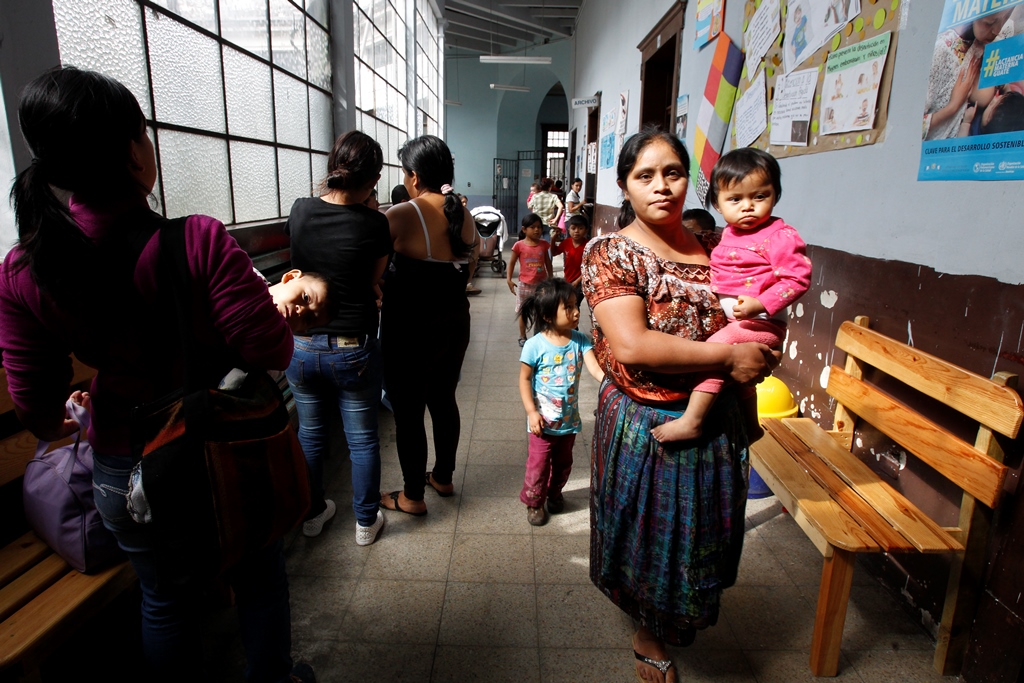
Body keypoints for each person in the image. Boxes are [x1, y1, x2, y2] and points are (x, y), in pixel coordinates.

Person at [0, 66, 313, 683]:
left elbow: (37, 412)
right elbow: (271, 349)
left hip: (125, 470)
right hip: (224, 454)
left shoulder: (23, 269)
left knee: (163, 598)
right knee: (259, 578)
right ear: (131, 153)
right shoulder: (197, 241)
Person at [581, 126, 778, 683]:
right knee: (650, 536)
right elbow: (633, 345)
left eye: (673, 173)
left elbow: (757, 311)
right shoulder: (613, 253)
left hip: (715, 418)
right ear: (624, 185)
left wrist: (759, 349)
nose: (662, 186)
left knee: (700, 534)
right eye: (645, 176)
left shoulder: (719, 247)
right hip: (649, 419)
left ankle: (676, 615)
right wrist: (728, 361)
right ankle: (648, 629)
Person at [651, 148, 810, 444]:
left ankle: (693, 420)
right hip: (740, 322)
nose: (748, 207)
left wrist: (761, 303)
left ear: (775, 195)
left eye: (759, 196)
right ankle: (751, 425)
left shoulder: (779, 235)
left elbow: (797, 278)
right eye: (735, 199)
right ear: (717, 203)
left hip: (762, 323)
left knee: (715, 353)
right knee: (734, 376)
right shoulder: (728, 234)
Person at [284, 130, 392, 546]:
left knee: (310, 433)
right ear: (372, 179)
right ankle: (366, 522)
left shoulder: (300, 211)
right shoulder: (374, 223)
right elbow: (373, 280)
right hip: (353, 348)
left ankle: (313, 514)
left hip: (302, 346)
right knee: (361, 437)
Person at [380, 135, 477, 516]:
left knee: (408, 410)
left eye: (405, 173)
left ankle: (412, 496)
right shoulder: (463, 215)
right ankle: (444, 476)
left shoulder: (402, 214)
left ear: (415, 177)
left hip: (410, 327)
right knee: (443, 398)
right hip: (454, 323)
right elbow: (466, 270)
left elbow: (373, 268)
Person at [517, 278, 603, 526]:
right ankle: (534, 502)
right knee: (538, 466)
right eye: (568, 307)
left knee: (564, 464)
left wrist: (613, 384)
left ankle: (554, 493)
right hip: (542, 424)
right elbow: (524, 381)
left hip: (569, 422)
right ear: (546, 314)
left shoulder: (580, 341)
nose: (576, 312)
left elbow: (596, 370)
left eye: (576, 305)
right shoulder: (534, 346)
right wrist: (531, 412)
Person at [923, 9, 1014, 140]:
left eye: (1005, 18)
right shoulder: (940, 53)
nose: (996, 30)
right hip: (933, 153)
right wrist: (952, 107)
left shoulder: (994, 39)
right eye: (990, 23)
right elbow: (906, 127)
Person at [507, 213, 552, 346]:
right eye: (533, 227)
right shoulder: (519, 245)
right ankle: (522, 336)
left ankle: (538, 335)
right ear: (524, 229)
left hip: (541, 285)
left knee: (541, 310)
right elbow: (511, 263)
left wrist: (551, 279)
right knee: (523, 311)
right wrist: (509, 279)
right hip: (524, 285)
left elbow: (548, 263)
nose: (537, 230)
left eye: (539, 227)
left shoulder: (544, 245)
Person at [266, 269, 333, 333]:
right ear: (291, 277)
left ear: (301, 331)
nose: (301, 311)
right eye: (306, 298)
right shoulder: (255, 282)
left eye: (308, 319)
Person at [550, 214, 590, 304]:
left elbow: (588, 267)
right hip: (568, 279)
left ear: (586, 230)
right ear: (568, 229)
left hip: (581, 281)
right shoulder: (566, 243)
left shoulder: (588, 246)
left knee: (574, 303)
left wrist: (577, 281)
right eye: (573, 228)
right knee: (568, 302)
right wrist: (553, 239)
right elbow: (554, 252)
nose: (576, 231)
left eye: (580, 228)